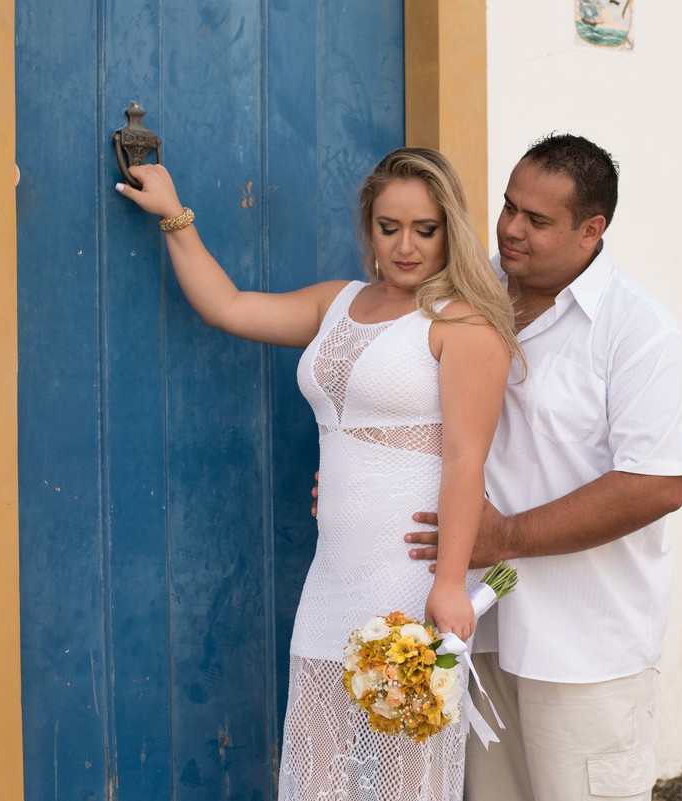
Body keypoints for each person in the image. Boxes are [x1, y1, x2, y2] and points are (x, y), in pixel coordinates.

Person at [116, 147, 517, 801]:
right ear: (368, 227)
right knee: (321, 763)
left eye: (425, 228)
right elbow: (230, 306)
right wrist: (175, 217)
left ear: (450, 228)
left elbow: (465, 458)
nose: (407, 246)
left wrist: (448, 584)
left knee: (401, 764)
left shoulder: (462, 323)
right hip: (334, 573)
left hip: (409, 574)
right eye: (390, 228)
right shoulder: (340, 302)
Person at [403, 134, 682, 801]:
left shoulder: (638, 331)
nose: (511, 228)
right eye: (510, 206)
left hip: (583, 650)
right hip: (477, 633)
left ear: (590, 229)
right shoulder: (468, 294)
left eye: (537, 220)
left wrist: (506, 537)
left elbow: (657, 482)